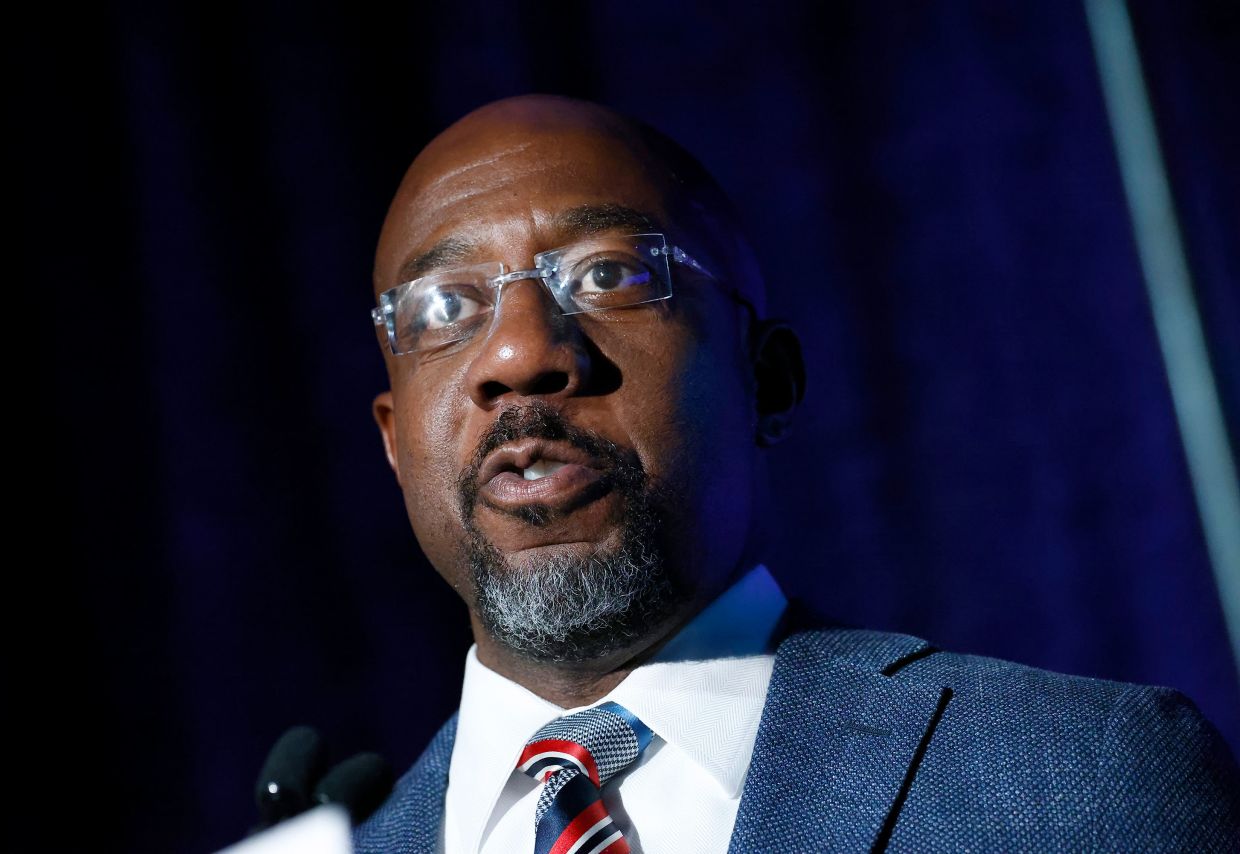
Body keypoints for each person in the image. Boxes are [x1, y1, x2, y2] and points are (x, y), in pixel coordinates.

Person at [351, 94, 1239, 852]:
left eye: (608, 273)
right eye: (445, 306)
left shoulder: (1079, 785)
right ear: (394, 444)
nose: (518, 351)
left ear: (766, 381)